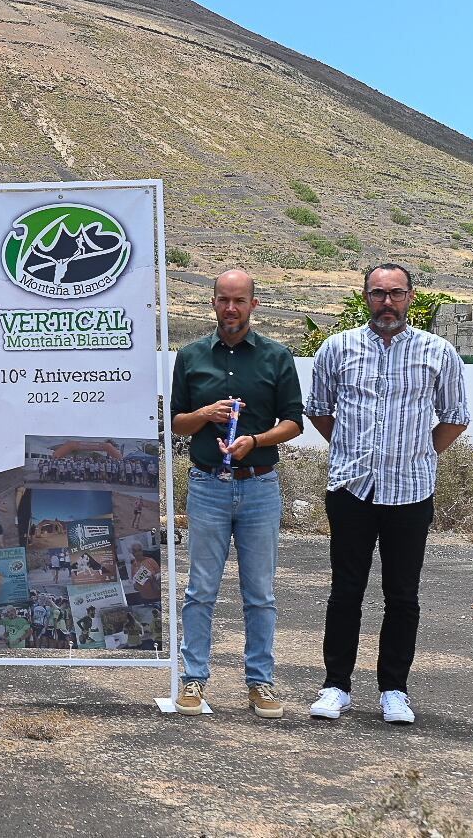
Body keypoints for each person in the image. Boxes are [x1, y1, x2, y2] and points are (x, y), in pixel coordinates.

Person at [305, 263, 469, 726]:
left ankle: (394, 690)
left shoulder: (438, 352)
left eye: (396, 293)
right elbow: (319, 410)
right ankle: (336, 686)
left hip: (410, 490)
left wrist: (419, 453)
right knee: (345, 590)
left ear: (411, 297)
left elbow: (455, 416)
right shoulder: (337, 348)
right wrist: (351, 450)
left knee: (402, 594)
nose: (387, 302)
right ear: (365, 297)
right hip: (352, 488)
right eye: (378, 294)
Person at [169, 269, 303, 718]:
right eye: (224, 300)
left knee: (260, 592)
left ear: (253, 304)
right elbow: (176, 423)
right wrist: (204, 413)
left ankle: (260, 684)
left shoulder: (276, 357)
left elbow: (293, 422)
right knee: (200, 590)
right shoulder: (190, 357)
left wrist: (257, 440)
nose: (231, 308)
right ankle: (194, 679)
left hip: (260, 485)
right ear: (213, 303)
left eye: (239, 300)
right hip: (207, 485)